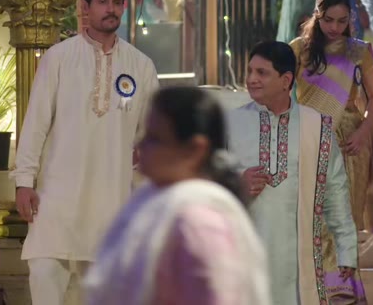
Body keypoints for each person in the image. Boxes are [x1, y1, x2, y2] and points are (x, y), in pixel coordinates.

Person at [10, 0, 159, 305]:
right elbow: (35, 123)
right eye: (103, 2)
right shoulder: (59, 58)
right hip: (56, 197)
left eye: (117, 3)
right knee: (45, 274)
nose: (111, 9)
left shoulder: (141, 66)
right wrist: (23, 182)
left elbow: (152, 134)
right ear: (85, 6)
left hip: (111, 198)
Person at [84, 87, 271, 305]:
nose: (139, 146)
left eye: (154, 139)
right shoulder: (149, 201)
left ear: (195, 150)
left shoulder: (199, 226)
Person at [226, 40, 358, 305]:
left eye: (261, 73)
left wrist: (347, 248)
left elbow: (335, 189)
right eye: (250, 71)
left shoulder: (317, 126)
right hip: (245, 256)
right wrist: (236, 183)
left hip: (299, 263)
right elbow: (203, 184)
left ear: (286, 80)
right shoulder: (230, 123)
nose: (251, 79)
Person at [289, 0, 373, 302]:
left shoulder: (359, 51)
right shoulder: (298, 50)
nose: (335, 27)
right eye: (329, 19)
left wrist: (363, 132)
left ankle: (343, 294)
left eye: (342, 21)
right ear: (317, 15)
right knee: (313, 219)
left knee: (344, 220)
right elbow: (284, 95)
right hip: (309, 139)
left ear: (350, 19)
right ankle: (314, 293)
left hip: (349, 142)